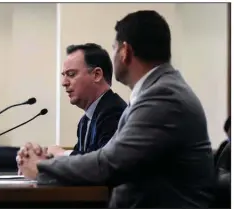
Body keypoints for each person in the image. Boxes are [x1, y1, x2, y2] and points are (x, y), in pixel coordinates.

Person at [16, 10, 215, 208]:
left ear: (125, 51)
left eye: (114, 48)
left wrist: (42, 167)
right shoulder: (156, 91)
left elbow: (109, 164)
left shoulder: (163, 96)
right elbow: (107, 157)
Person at [44, 43, 127, 157]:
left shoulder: (114, 112)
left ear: (96, 75)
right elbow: (78, 167)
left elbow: (103, 165)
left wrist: (62, 154)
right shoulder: (85, 121)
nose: (64, 83)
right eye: (64, 75)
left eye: (71, 74)